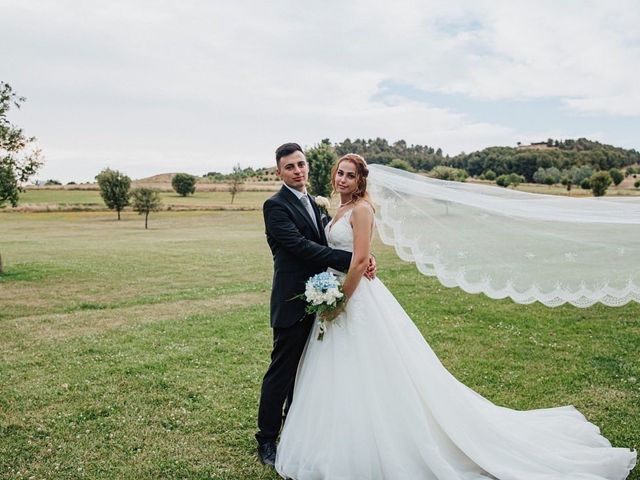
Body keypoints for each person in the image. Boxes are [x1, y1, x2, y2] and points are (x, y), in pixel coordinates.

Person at [275, 153, 637, 480]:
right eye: (340, 173)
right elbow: (334, 251)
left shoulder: (363, 209)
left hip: (356, 298)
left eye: (350, 176)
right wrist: (331, 293)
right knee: (340, 372)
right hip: (334, 292)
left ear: (361, 181)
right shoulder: (335, 209)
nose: (342, 179)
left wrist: (341, 302)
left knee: (376, 371)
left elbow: (358, 260)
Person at [256, 143, 376, 466]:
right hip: (294, 300)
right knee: (282, 372)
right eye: (290, 167)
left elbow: (340, 237)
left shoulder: (318, 204)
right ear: (279, 172)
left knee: (310, 373)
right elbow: (301, 248)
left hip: (325, 296)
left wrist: (364, 257)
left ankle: (297, 432)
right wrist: (355, 260)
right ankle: (266, 439)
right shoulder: (275, 206)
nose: (298, 171)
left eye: (301, 164)